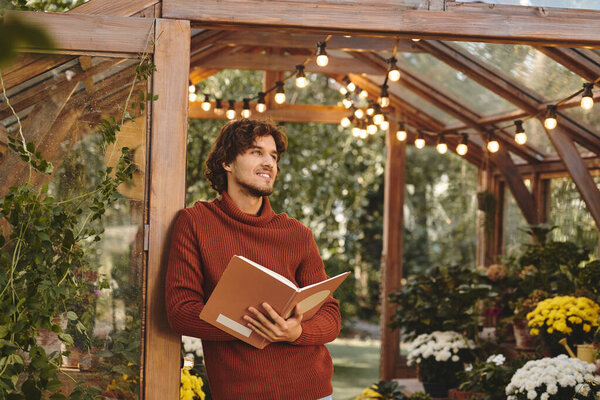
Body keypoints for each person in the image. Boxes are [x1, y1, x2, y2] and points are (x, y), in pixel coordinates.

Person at [165, 119, 341, 400]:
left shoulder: (297, 234)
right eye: (257, 152)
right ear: (227, 163)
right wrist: (255, 324)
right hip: (242, 392)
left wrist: (295, 332)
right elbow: (181, 312)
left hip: (312, 390)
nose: (269, 163)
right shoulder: (195, 222)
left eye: (273, 156)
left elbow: (330, 315)